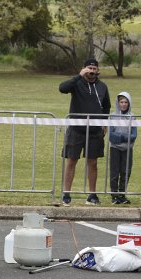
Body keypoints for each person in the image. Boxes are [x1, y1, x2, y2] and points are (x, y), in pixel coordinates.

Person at [59, 58, 111, 205]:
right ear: (84, 69)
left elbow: (106, 106)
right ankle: (66, 194)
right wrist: (79, 75)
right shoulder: (77, 83)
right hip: (76, 129)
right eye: (89, 68)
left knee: (93, 162)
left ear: (98, 71)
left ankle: (92, 195)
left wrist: (104, 123)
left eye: (94, 69)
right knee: (71, 161)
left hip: (95, 131)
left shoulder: (102, 86)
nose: (92, 71)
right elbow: (62, 88)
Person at [107, 92, 136, 205]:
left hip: (128, 149)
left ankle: (122, 195)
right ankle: (114, 195)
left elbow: (133, 135)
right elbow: (111, 136)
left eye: (125, 102)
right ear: (118, 103)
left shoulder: (132, 117)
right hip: (115, 148)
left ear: (129, 103)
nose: (123, 104)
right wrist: (124, 137)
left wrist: (121, 137)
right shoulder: (113, 116)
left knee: (125, 172)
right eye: (121, 102)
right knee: (114, 172)